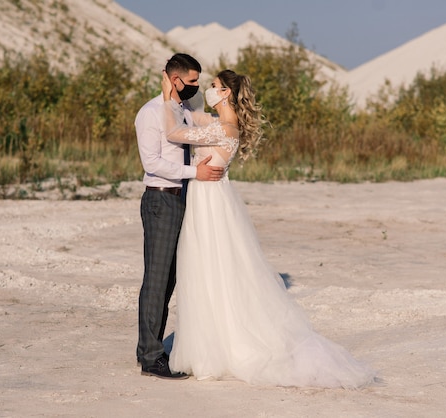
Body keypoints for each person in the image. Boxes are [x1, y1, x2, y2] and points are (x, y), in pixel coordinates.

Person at [161, 69, 379, 388]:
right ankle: (211, 344)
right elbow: (192, 118)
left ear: (226, 94)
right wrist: (181, 99)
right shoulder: (220, 123)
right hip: (209, 198)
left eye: (213, 86)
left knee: (211, 268)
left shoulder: (226, 128)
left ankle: (218, 350)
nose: (208, 89)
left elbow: (173, 133)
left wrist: (167, 94)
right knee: (208, 269)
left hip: (210, 202)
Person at [135, 53, 224, 380]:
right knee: (157, 279)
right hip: (161, 199)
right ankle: (150, 356)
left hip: (181, 199)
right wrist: (193, 173)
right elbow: (152, 163)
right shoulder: (151, 113)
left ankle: (153, 347)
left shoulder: (183, 111)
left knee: (169, 278)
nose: (195, 87)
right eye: (191, 82)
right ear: (174, 80)